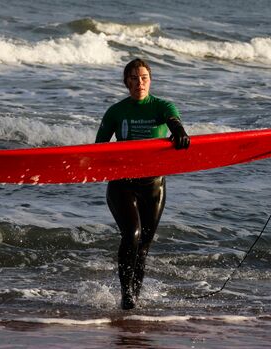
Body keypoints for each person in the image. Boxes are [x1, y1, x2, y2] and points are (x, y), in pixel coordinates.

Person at [95, 58, 190, 310]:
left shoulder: (161, 106)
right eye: (134, 78)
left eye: (144, 77)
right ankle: (126, 295)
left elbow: (172, 119)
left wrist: (178, 130)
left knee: (144, 246)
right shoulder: (116, 111)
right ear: (126, 82)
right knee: (132, 235)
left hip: (154, 185)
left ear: (150, 80)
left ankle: (134, 299)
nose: (140, 82)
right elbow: (98, 149)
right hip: (122, 184)